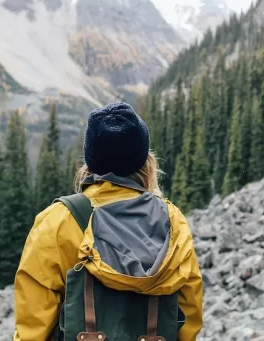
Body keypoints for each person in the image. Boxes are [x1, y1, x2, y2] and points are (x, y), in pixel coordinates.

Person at [13, 101, 203, 341]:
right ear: (146, 161)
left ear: (89, 163)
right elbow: (188, 312)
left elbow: (33, 322)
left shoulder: (57, 221)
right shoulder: (173, 222)